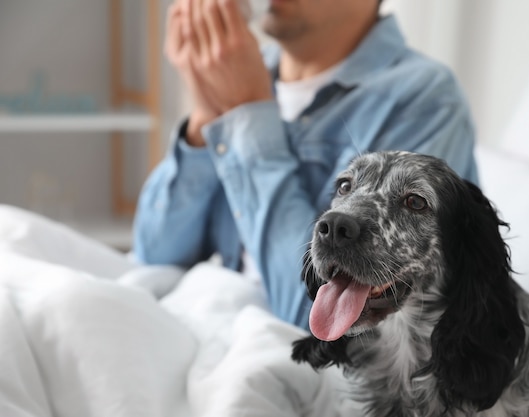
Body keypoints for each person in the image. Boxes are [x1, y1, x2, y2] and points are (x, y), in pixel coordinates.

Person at [133, 0, 478, 330]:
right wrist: (206, 114)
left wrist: (248, 113)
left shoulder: (424, 98)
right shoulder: (241, 68)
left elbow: (323, 324)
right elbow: (155, 252)